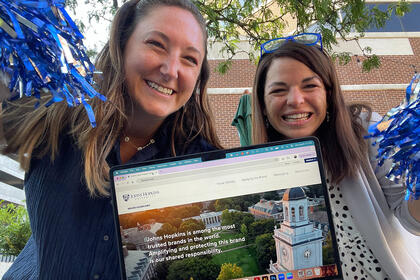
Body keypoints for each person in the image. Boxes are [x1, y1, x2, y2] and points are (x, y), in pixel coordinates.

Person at [0, 0, 222, 278]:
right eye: (156, 44)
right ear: (122, 44)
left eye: (190, 59)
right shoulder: (52, 117)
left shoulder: (204, 168)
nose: (170, 69)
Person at [251, 37, 420, 279]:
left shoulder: (365, 133)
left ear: (328, 93)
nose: (296, 100)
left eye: (309, 86)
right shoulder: (258, 167)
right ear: (263, 104)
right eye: (278, 90)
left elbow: (412, 221)